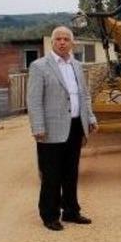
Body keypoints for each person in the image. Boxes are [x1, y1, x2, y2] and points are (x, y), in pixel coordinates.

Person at [27, 26, 98, 231]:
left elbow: (84, 95)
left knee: (71, 172)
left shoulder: (76, 65)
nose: (62, 42)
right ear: (52, 42)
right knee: (51, 174)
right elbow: (33, 100)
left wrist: (90, 118)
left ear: (72, 43)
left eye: (66, 39)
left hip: (75, 126)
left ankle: (71, 211)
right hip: (50, 129)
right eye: (58, 39)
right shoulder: (39, 66)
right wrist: (38, 126)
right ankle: (49, 215)